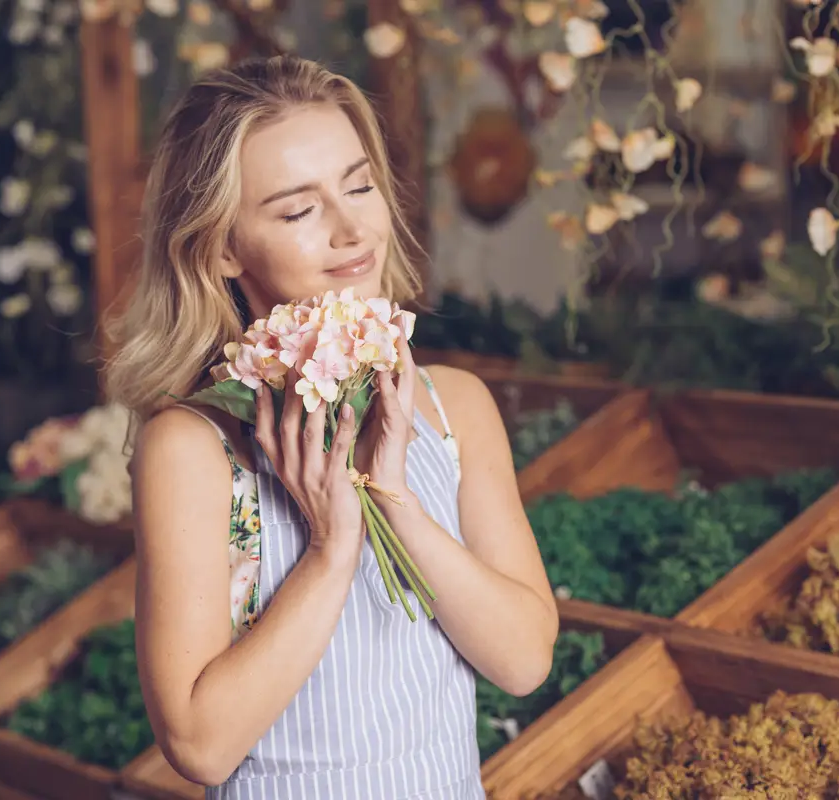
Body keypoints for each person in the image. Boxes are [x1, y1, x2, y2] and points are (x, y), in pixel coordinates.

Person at [103, 55, 558, 799]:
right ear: (221, 247)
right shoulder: (195, 447)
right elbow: (200, 746)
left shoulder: (455, 408)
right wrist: (331, 545)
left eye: (359, 185)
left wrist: (391, 496)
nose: (352, 230)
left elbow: (525, 661)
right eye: (297, 209)